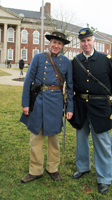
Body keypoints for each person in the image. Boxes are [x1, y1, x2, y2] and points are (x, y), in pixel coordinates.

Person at [69, 28, 112, 194]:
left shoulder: (106, 60)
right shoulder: (75, 61)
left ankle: (104, 177)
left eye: (88, 40)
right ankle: (83, 167)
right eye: (83, 41)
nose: (86, 44)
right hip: (80, 106)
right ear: (80, 43)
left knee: (103, 142)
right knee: (81, 139)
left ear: (93, 41)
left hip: (100, 107)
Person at [20, 31, 73, 183]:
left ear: (62, 46)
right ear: (50, 43)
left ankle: (53, 168)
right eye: (54, 42)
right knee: (36, 137)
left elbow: (70, 87)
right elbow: (28, 81)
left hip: (56, 102)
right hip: (38, 100)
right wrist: (25, 103)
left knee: (53, 138)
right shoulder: (38, 58)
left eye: (59, 43)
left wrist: (70, 108)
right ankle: (35, 170)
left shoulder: (66, 62)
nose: (56, 45)